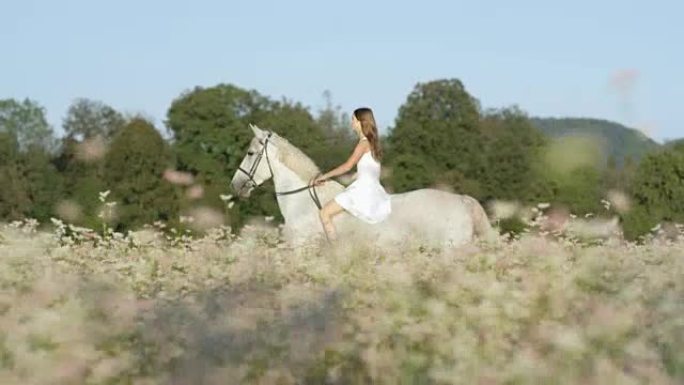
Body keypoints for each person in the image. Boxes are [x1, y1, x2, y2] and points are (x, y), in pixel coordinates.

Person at [313, 107, 392, 242]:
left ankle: (335, 249)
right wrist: (356, 175)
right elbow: (371, 170)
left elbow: (347, 166)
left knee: (324, 213)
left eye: (353, 120)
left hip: (362, 190)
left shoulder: (363, 143)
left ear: (361, 122)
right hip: (373, 189)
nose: (351, 123)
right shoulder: (372, 143)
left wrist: (324, 176)